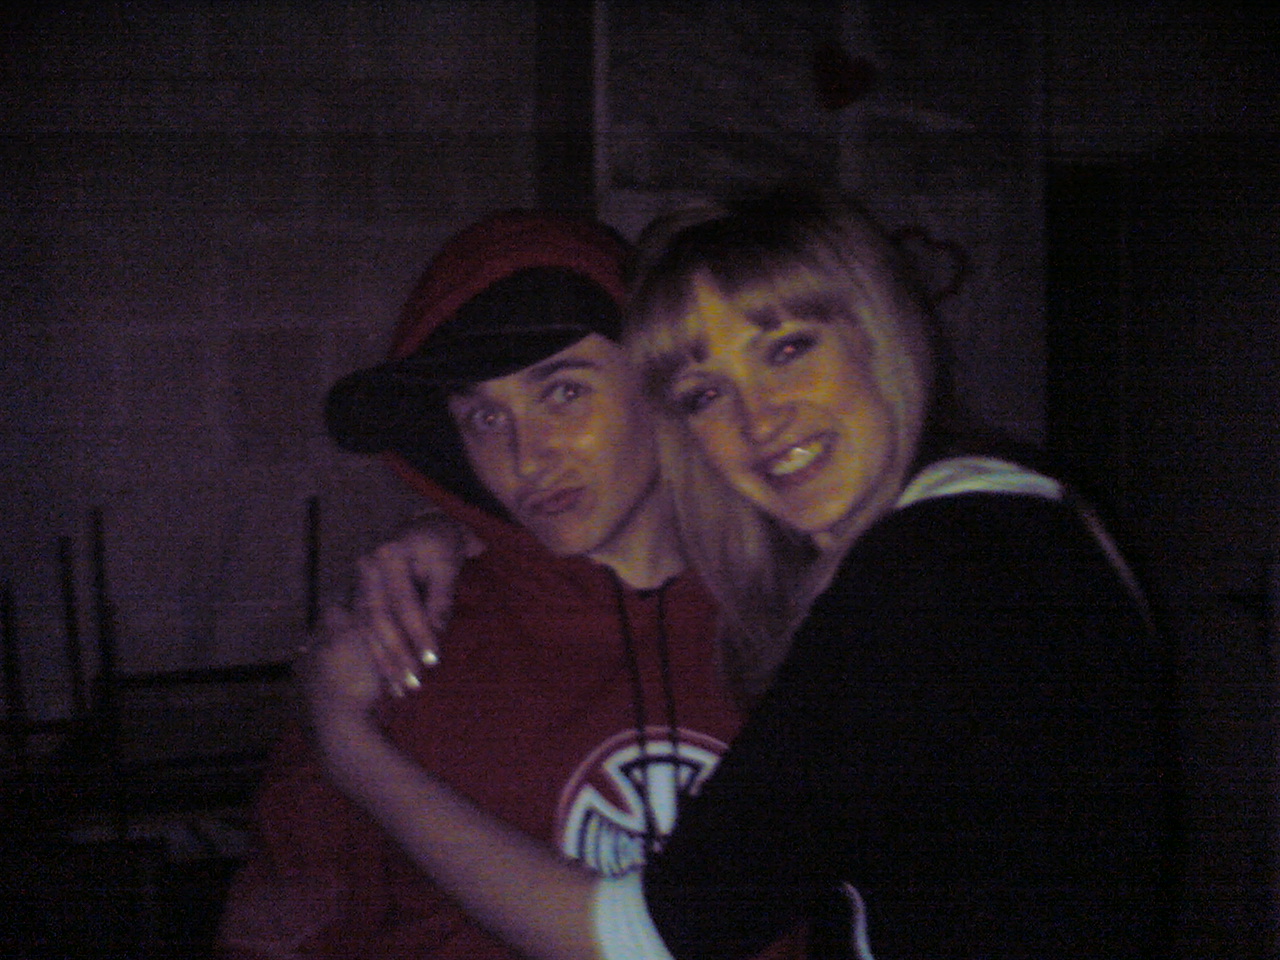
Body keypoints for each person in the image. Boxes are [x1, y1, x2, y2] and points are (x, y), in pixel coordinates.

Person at [303, 187, 1180, 959]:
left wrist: (349, 745)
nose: (760, 418)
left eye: (788, 349)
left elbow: (646, 940)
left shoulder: (942, 568)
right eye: (706, 393)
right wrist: (449, 527)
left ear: (879, 332)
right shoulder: (953, 528)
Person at [215, 209, 803, 960]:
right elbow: (281, 934)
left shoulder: (805, 617)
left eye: (563, 393)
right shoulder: (394, 649)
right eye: (485, 417)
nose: (527, 456)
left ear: (656, 379)